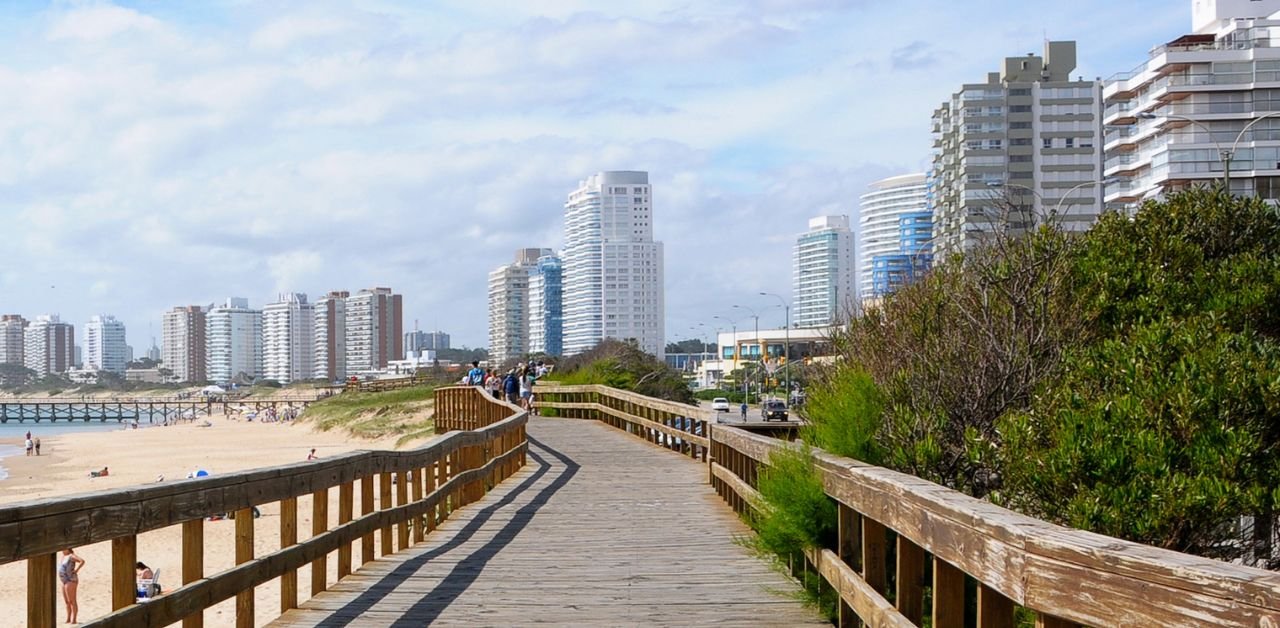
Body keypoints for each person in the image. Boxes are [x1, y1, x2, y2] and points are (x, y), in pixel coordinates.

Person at [59, 548, 85, 624]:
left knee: (72, 601)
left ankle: (74, 620)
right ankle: (68, 618)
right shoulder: (63, 556)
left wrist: (76, 570)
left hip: (70, 580)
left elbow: (82, 561)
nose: (62, 550)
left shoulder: (71, 556)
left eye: (63, 549)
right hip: (64, 581)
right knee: (67, 601)